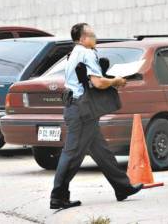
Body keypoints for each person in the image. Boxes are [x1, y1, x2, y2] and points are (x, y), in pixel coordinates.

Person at [50, 23, 143, 209]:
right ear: (83, 38)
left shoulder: (73, 53)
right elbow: (98, 83)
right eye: (92, 35)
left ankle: (122, 187)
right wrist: (116, 80)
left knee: (102, 152)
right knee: (72, 154)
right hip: (81, 111)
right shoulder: (86, 52)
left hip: (78, 109)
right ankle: (58, 196)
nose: (95, 38)